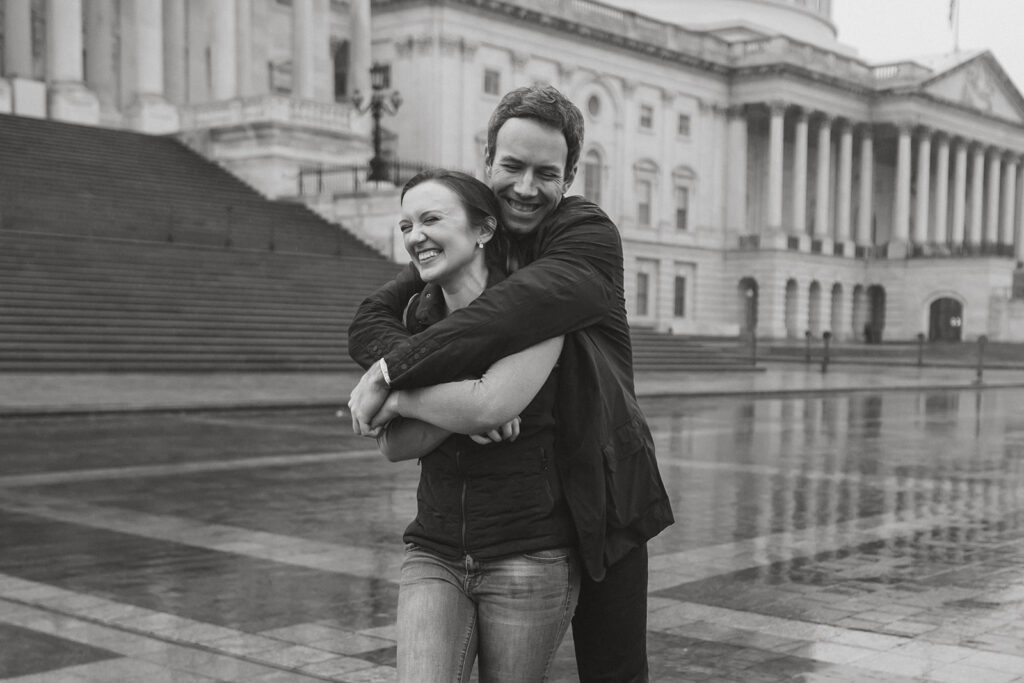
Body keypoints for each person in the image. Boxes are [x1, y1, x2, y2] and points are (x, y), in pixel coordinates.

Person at [348, 84, 674, 683]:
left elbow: (516, 310)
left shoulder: (586, 235)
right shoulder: (472, 238)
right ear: (488, 164)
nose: (527, 187)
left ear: (570, 176)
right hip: (519, 509)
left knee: (615, 674)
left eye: (546, 172)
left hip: (600, 491)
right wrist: (416, 375)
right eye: (513, 167)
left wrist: (395, 377)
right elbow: (370, 317)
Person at [373, 169, 578, 682]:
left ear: (483, 230)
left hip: (527, 554)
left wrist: (402, 397)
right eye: (405, 225)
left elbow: (488, 408)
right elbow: (392, 444)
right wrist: (452, 403)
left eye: (431, 219)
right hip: (433, 551)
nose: (414, 235)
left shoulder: (538, 307)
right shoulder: (416, 322)